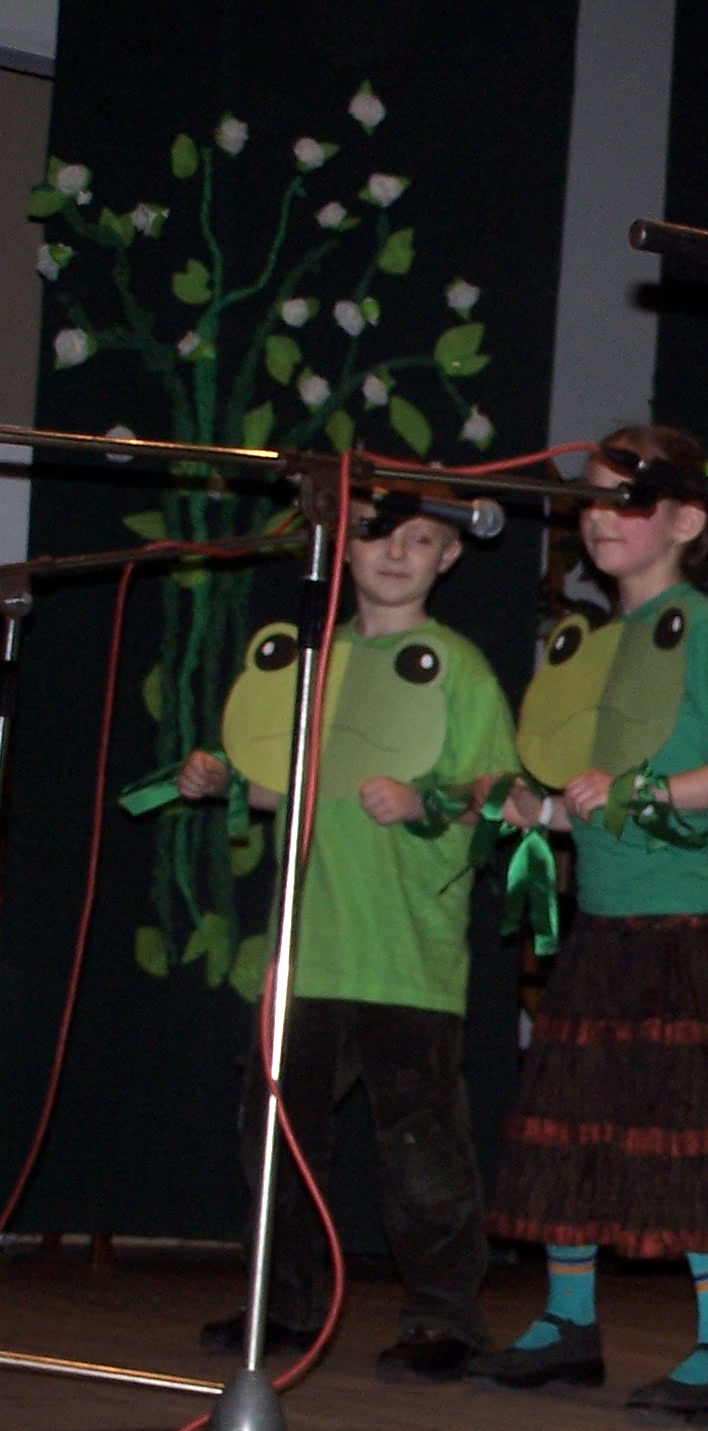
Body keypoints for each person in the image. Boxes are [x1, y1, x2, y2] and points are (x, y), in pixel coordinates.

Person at [474, 425, 708, 1418]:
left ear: (687, 522)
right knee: (573, 1115)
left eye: (629, 499)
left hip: (681, 924)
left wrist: (651, 792)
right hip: (603, 923)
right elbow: (593, 798)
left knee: (694, 1131)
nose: (603, 517)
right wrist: (539, 809)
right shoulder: (595, 643)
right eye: (594, 499)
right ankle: (568, 1323)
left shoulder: (705, 627)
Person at [183, 485, 515, 1383]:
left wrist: (425, 801)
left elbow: (501, 795)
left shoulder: (460, 668)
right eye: (376, 535)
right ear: (341, 544)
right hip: (307, 951)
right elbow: (289, 782)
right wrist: (227, 781)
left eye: (421, 539)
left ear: (452, 554)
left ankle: (445, 1316)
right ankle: (285, 1303)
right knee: (277, 1138)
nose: (396, 553)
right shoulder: (310, 660)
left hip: (407, 953)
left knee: (421, 1148)